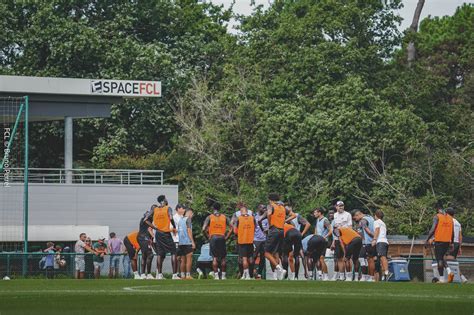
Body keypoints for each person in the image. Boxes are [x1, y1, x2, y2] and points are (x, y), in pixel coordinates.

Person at [258, 193, 296, 280]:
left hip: (274, 230)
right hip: (281, 231)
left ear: (270, 199)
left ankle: (279, 269)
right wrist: (284, 221)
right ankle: (277, 274)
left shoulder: (271, 206)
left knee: (266, 253)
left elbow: (268, 214)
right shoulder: (283, 207)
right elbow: (294, 215)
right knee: (276, 253)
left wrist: (269, 224)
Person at [149, 195, 179, 280]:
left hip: (158, 233)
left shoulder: (155, 209)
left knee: (159, 254)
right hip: (165, 233)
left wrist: (154, 227)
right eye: (166, 198)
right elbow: (170, 217)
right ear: (164, 200)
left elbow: (146, 220)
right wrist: (174, 226)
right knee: (173, 252)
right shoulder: (168, 208)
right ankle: (174, 275)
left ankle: (159, 274)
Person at [202, 202, 232, 280]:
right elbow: (232, 228)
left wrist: (208, 237)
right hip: (222, 237)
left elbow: (203, 229)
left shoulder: (209, 217)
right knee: (223, 258)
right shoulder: (225, 217)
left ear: (213, 208)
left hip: (213, 237)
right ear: (220, 208)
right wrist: (226, 237)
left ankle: (216, 275)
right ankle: (224, 275)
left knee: (214, 257)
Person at [425, 207, 454, 283]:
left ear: (438, 210)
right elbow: (453, 232)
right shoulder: (450, 218)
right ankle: (449, 272)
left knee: (439, 260)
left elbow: (433, 228)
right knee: (442, 257)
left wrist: (427, 239)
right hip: (447, 241)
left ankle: (441, 279)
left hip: (439, 241)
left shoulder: (437, 216)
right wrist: (452, 242)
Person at [445, 207, 468, 283]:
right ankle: (462, 278)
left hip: (450, 243)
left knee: (443, 259)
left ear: (447, 214)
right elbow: (460, 236)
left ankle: (449, 276)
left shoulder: (447, 221)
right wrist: (460, 247)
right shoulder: (458, 223)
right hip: (457, 243)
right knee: (453, 261)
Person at [330, 201, 352, 281]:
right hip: (337, 239)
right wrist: (333, 241)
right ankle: (341, 276)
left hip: (345, 239)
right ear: (336, 207)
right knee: (339, 258)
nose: (341, 207)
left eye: (342, 206)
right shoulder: (335, 215)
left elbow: (350, 227)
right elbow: (334, 229)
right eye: (339, 206)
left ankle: (349, 276)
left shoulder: (348, 214)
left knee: (347, 257)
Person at [231, 204, 254, 278]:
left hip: (242, 240)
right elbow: (255, 227)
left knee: (244, 258)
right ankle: (250, 275)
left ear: (241, 211)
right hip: (250, 240)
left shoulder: (239, 218)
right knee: (250, 258)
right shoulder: (252, 218)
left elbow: (235, 231)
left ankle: (246, 274)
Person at [353, 210, 375, 281]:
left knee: (366, 259)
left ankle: (368, 277)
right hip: (370, 242)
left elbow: (368, 231)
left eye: (354, 218)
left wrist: (375, 237)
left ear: (357, 215)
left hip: (367, 242)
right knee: (365, 259)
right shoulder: (370, 217)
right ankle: (367, 276)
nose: (355, 220)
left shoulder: (363, 221)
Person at [313, 208, 333, 280]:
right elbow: (316, 230)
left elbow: (331, 230)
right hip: (317, 241)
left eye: (315, 212)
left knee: (321, 258)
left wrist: (325, 237)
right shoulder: (317, 220)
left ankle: (326, 275)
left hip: (323, 242)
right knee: (318, 258)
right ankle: (321, 275)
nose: (314, 214)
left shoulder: (325, 220)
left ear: (319, 213)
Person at [372, 210, 391, 281]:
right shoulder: (383, 223)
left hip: (381, 241)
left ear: (376, 215)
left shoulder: (376, 222)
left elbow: (377, 230)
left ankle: (387, 272)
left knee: (382, 257)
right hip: (385, 242)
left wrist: (374, 239)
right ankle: (384, 275)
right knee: (381, 258)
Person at [178, 208, 196, 280]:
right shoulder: (188, 219)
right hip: (187, 242)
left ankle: (182, 275)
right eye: (192, 214)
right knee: (189, 258)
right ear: (190, 213)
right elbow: (189, 231)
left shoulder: (180, 220)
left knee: (182, 259)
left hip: (181, 242)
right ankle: (188, 275)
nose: (192, 216)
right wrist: (192, 242)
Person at [138, 207, 155, 279]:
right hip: (143, 238)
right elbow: (150, 228)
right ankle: (147, 274)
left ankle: (143, 274)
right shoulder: (146, 217)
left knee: (145, 255)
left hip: (145, 238)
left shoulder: (152, 218)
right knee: (150, 255)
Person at [253, 204, 268, 279]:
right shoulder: (254, 216)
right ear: (259, 208)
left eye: (265, 208)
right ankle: (251, 272)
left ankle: (259, 274)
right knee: (254, 256)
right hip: (256, 240)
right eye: (263, 207)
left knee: (263, 257)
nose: (265, 209)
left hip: (264, 240)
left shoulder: (267, 217)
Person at [173, 204, 186, 276]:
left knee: (182, 257)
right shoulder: (174, 217)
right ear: (178, 209)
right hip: (176, 239)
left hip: (183, 240)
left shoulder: (183, 217)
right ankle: (176, 273)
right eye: (182, 208)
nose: (184, 210)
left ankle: (182, 274)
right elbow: (172, 228)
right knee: (177, 257)